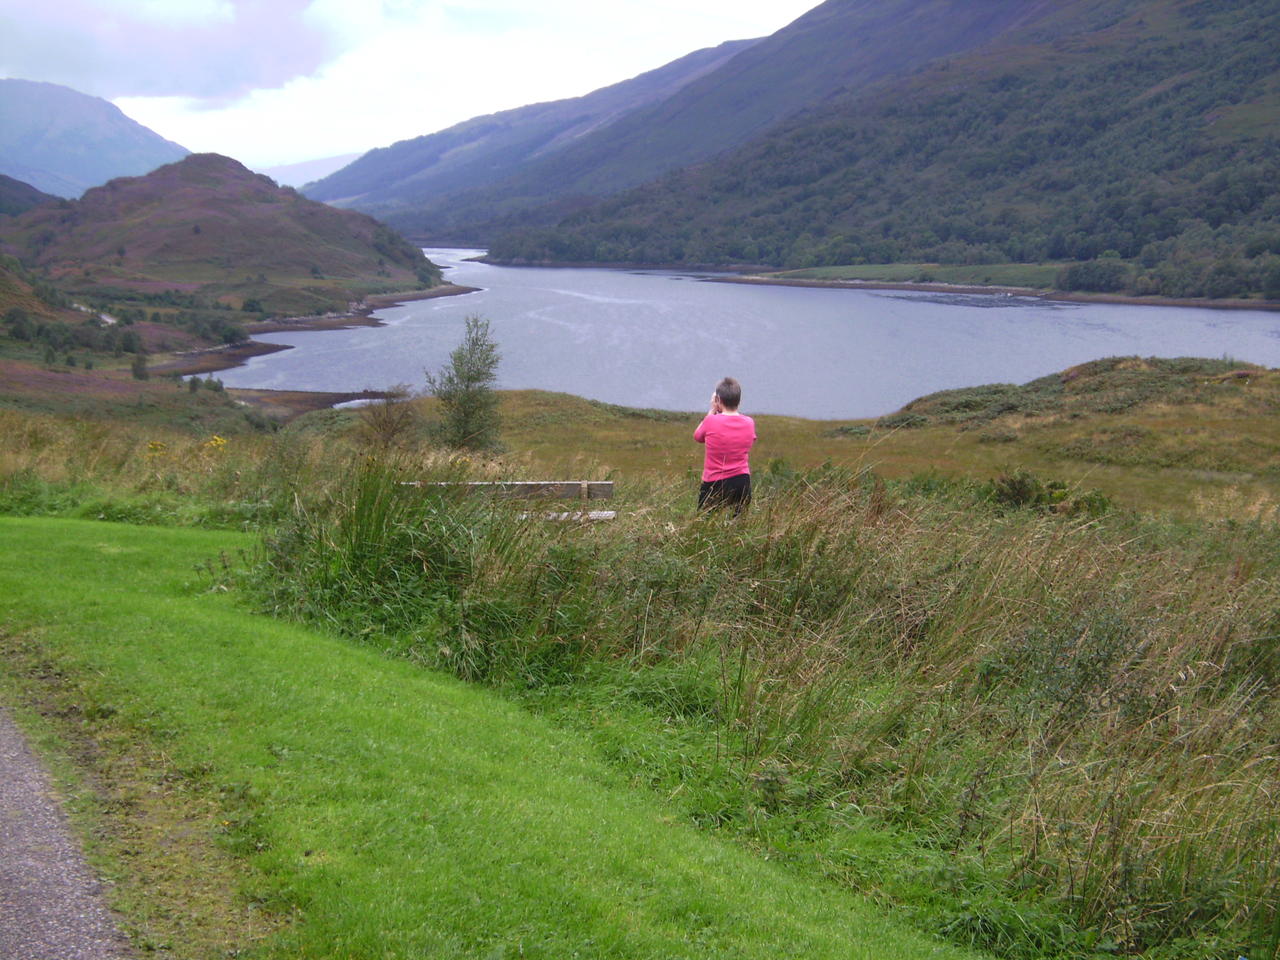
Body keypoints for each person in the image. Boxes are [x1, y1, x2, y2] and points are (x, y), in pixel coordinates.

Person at [694, 376, 756, 514]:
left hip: (714, 482)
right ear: (739, 400)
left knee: (704, 522)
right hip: (742, 481)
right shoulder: (749, 422)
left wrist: (712, 411)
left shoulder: (711, 420)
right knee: (739, 523)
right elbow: (751, 439)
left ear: (718, 400)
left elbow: (698, 436)